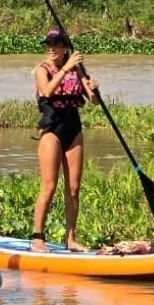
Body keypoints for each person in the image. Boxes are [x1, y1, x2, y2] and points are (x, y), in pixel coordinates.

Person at [30, 29, 100, 253]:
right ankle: (37, 238)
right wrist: (66, 68)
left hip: (73, 129)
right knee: (49, 186)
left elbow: (93, 100)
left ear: (65, 48)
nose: (51, 48)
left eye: (56, 44)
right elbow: (47, 91)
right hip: (52, 130)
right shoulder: (42, 69)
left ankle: (70, 239)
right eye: (48, 44)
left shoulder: (77, 69)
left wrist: (94, 89)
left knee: (73, 188)